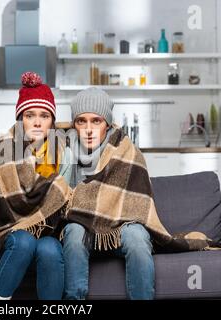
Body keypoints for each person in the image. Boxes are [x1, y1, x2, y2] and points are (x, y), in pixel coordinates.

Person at [60, 87, 155, 300]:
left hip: (121, 227)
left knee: (137, 236)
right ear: (73, 124)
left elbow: (138, 201)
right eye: (81, 121)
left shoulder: (126, 150)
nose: (88, 129)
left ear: (108, 124)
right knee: (74, 232)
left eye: (96, 121)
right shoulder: (64, 150)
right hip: (82, 227)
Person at [0, 72, 65, 300]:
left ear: (52, 121)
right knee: (24, 240)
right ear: (21, 119)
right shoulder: (4, 151)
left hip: (49, 232)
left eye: (44, 115)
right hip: (6, 233)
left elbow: (65, 203)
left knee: (49, 248)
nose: (38, 122)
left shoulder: (64, 153)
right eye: (30, 115)